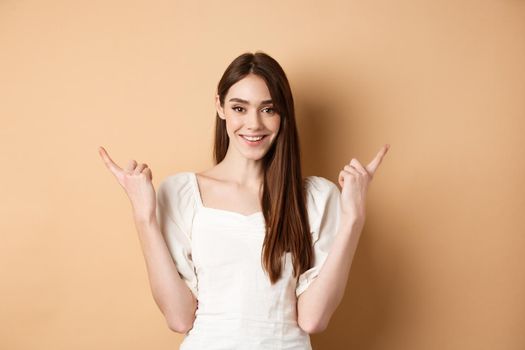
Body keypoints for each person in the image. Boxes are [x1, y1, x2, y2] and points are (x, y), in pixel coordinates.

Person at [98, 51, 389, 349]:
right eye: (239, 108)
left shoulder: (316, 198)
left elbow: (313, 319)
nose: (253, 124)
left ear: (284, 114)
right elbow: (179, 318)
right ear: (220, 106)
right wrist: (143, 216)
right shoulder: (181, 193)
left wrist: (353, 219)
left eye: (268, 109)